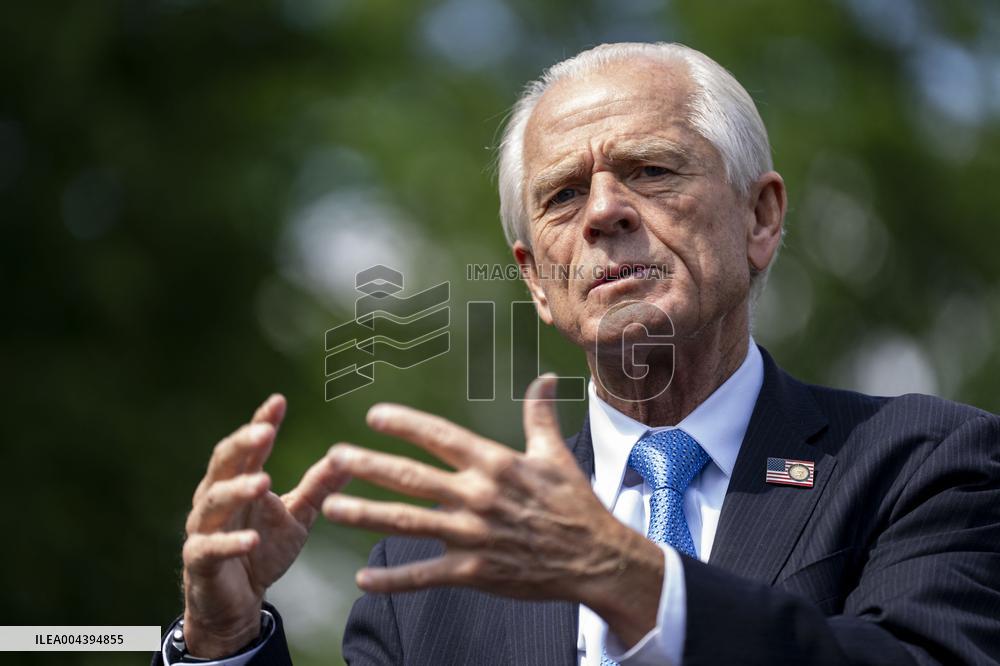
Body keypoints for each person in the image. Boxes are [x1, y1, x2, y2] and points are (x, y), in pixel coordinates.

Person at [153, 42, 1000, 665]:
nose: (603, 213)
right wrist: (225, 641)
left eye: (652, 170)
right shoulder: (433, 569)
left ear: (761, 218)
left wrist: (633, 583)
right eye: (562, 194)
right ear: (535, 278)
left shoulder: (922, 464)